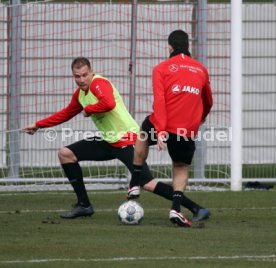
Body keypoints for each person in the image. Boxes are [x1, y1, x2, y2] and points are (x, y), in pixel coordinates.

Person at [22, 57, 203, 221]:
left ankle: (196, 208)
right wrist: (38, 125)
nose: (81, 80)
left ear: (91, 72)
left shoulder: (98, 83)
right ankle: (84, 205)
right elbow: (65, 114)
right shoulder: (80, 95)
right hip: (109, 141)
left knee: (146, 183)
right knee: (65, 154)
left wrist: (89, 110)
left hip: (128, 139)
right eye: (77, 76)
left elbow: (108, 103)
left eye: (85, 75)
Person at [127, 30, 213, 227]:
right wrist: (200, 119)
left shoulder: (161, 68)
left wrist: (161, 130)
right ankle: (175, 209)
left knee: (142, 135)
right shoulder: (201, 69)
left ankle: (134, 183)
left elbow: (160, 101)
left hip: (163, 123)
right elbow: (208, 101)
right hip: (187, 129)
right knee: (181, 167)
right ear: (187, 46)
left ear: (170, 47)